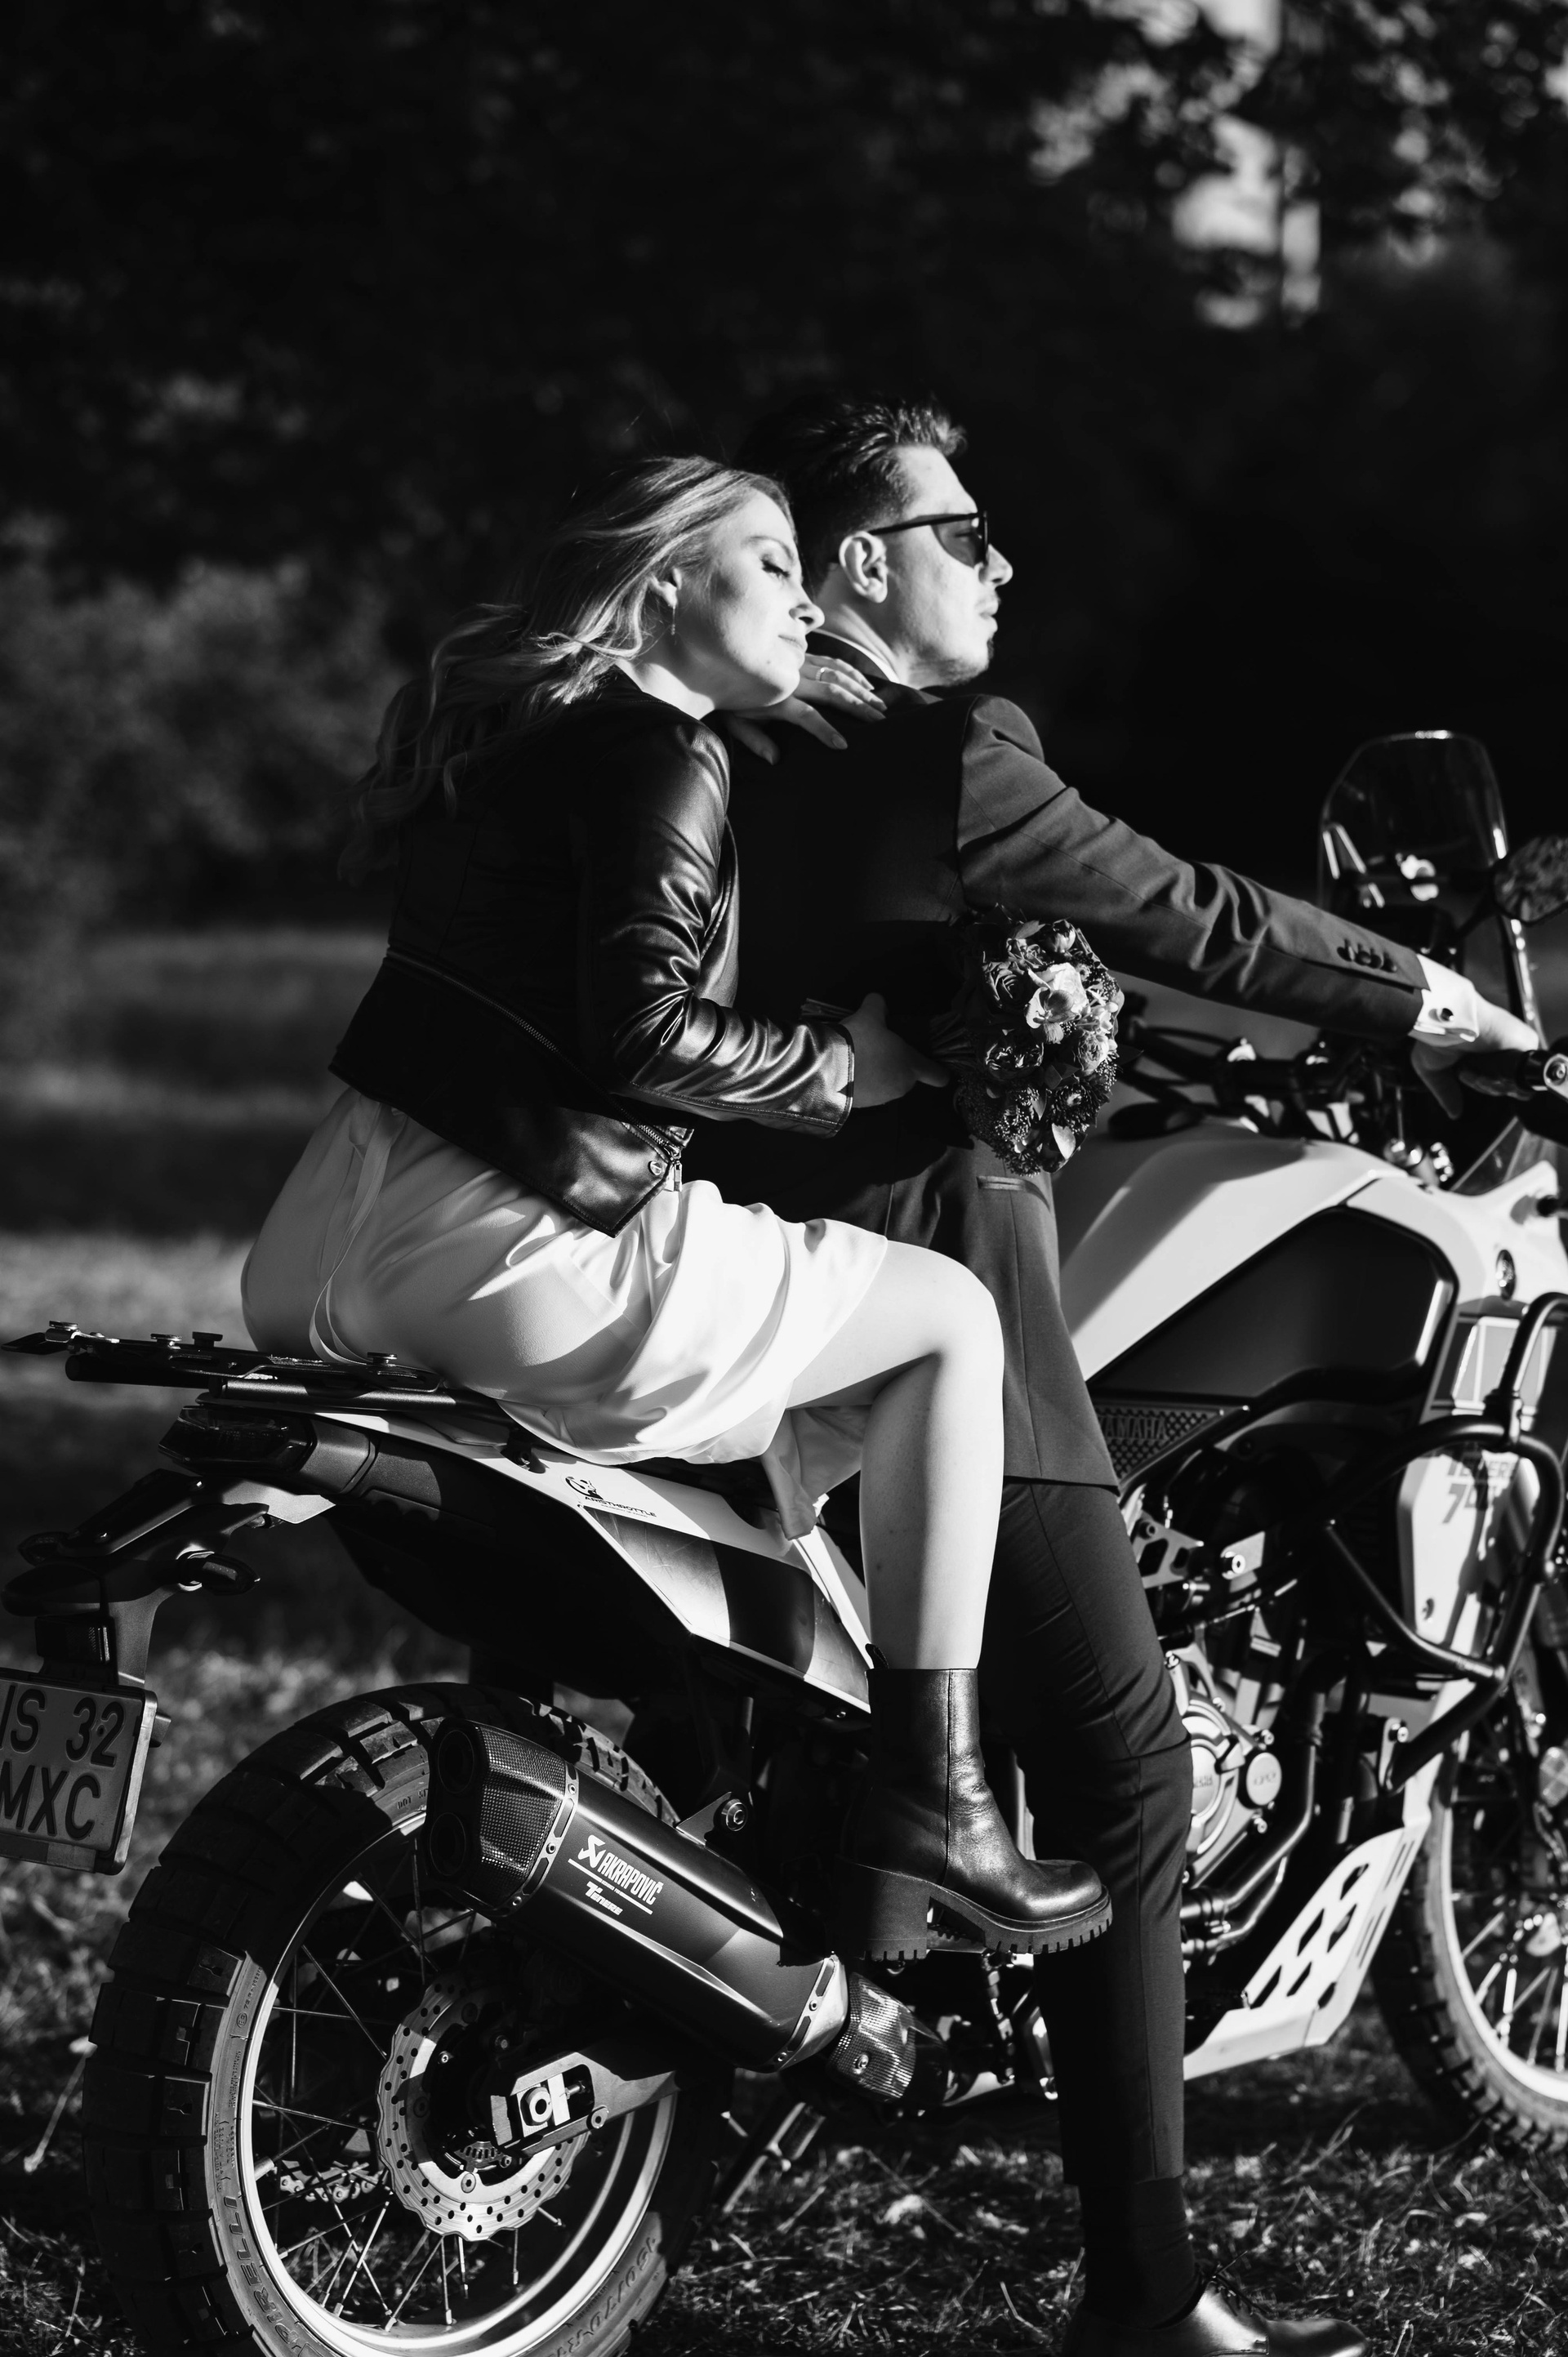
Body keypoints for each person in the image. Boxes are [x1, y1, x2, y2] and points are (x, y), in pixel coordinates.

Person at [687, 395, 1538, 2357]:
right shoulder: (933, 751)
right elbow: (1181, 912)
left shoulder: (702, 736)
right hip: (922, 1279)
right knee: (1130, 1763)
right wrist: (1434, 1001)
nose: (1002, 565)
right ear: (858, 563)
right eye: (963, 532)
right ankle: (1147, 2286)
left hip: (705, 1269)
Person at [241, 454, 1111, 1967]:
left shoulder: (512, 738)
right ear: (659, 588)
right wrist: (837, 1066)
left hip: (322, 1236)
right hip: (515, 1249)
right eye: (770, 561)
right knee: (950, 1326)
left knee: (776, 1409)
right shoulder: (662, 747)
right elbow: (637, 1030)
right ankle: (940, 1801)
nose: (805, 595)